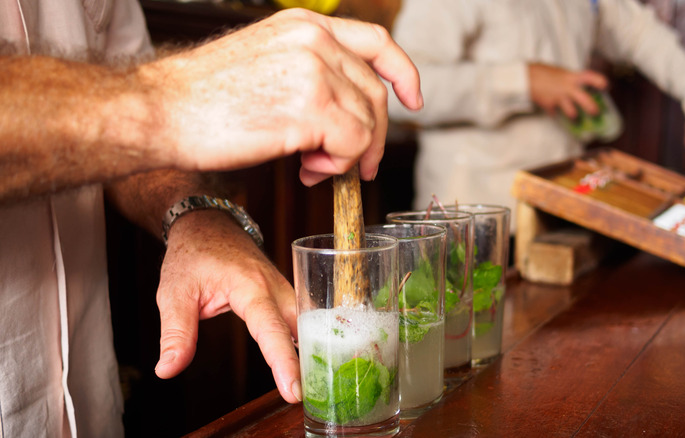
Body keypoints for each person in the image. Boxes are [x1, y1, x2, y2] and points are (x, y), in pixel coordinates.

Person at [0, 2, 422, 436]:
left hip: (91, 404)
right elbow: (135, 104)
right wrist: (169, 98)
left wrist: (195, 215)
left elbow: (114, 121)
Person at [386, 0, 685, 221]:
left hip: (563, 206)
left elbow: (637, 32)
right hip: (466, 221)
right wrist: (523, 82)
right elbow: (395, 92)